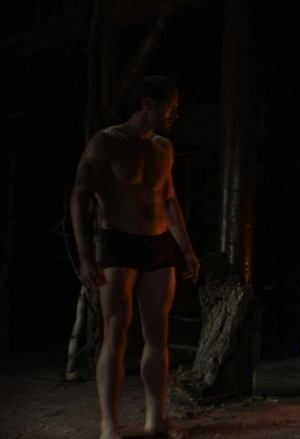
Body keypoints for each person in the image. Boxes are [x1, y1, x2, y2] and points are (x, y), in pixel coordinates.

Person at [70, 75, 199, 439]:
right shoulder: (106, 142)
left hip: (157, 244)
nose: (174, 115)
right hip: (118, 244)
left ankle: (155, 420)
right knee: (115, 331)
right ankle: (109, 426)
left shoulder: (163, 147)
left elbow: (169, 201)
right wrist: (85, 257)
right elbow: (79, 197)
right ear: (148, 104)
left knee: (157, 333)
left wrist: (187, 250)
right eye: (170, 107)